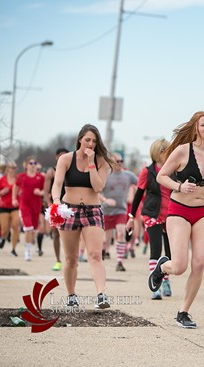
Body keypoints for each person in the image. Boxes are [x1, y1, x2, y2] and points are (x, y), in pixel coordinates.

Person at [148, 111, 204, 329]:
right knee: (180, 266)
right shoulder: (183, 151)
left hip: (203, 212)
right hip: (179, 210)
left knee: (200, 263)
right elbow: (162, 176)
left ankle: (184, 312)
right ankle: (163, 268)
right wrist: (179, 186)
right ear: (195, 128)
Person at [51, 123, 115, 309]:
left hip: (92, 210)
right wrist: (56, 200)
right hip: (69, 210)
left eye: (94, 141)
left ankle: (101, 294)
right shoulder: (65, 159)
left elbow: (98, 187)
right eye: (87, 139)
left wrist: (91, 163)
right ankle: (71, 295)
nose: (90, 144)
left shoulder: (101, 160)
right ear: (80, 139)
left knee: (95, 254)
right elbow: (57, 184)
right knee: (71, 258)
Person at [126, 139, 172, 300]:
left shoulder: (173, 169)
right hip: (152, 214)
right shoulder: (147, 171)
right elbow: (138, 195)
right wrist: (131, 217)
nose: (168, 152)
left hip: (171, 215)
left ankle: (165, 279)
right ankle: (155, 286)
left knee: (170, 252)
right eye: (166, 150)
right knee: (156, 249)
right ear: (159, 152)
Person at [99, 153, 138, 272]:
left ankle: (119, 262)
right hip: (106, 211)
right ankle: (103, 252)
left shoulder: (128, 175)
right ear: (111, 162)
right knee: (106, 239)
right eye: (117, 161)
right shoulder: (105, 176)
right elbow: (96, 191)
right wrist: (105, 200)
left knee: (121, 233)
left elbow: (141, 184)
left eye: (121, 161)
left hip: (121, 210)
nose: (120, 163)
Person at [12, 156, 46, 261]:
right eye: (30, 163)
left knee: (33, 230)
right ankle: (27, 251)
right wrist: (14, 199)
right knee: (28, 228)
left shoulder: (41, 177)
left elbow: (46, 189)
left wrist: (40, 192)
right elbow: (15, 187)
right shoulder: (21, 177)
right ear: (26, 165)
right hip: (24, 205)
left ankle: (29, 246)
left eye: (35, 163)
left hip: (36, 206)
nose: (33, 165)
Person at [44, 148, 69, 271]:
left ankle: (70, 259)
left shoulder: (71, 170)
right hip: (56, 204)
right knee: (55, 233)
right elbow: (46, 191)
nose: (62, 158)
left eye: (65, 155)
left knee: (69, 234)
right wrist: (49, 203)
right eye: (60, 156)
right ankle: (58, 260)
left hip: (69, 204)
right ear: (56, 157)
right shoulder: (51, 172)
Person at [0, 162, 20, 256]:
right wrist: (2, 192)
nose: (13, 169)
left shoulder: (18, 179)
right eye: (11, 168)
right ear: (8, 169)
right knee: (5, 229)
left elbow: (22, 189)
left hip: (15, 206)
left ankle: (13, 249)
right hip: (4, 206)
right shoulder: (2, 179)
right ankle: (4, 237)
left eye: (15, 168)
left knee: (15, 226)